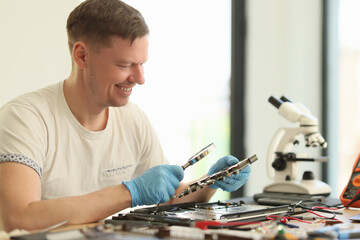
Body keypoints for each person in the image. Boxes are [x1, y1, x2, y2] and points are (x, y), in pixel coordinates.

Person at [0, 0, 250, 232]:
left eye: (142, 64)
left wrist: (211, 182)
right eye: (125, 65)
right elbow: (19, 217)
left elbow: (167, 196)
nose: (140, 79)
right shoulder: (25, 118)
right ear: (82, 55)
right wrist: (129, 192)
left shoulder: (132, 118)